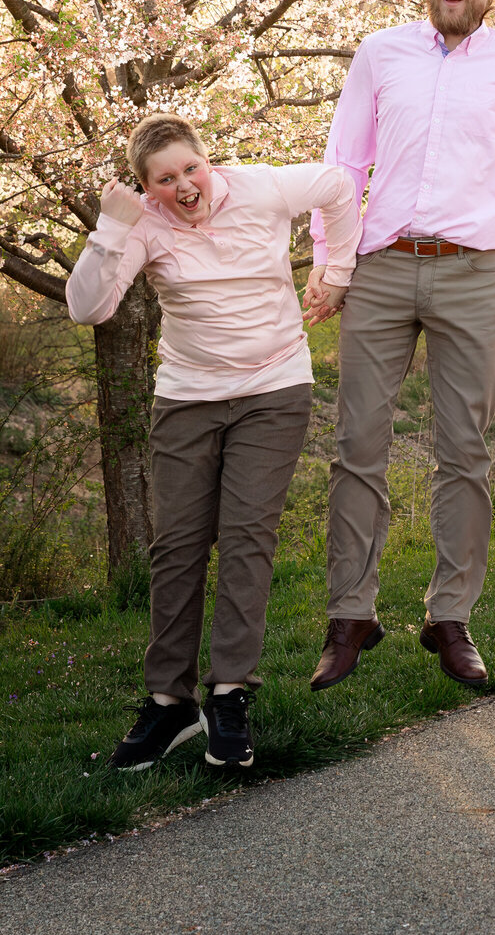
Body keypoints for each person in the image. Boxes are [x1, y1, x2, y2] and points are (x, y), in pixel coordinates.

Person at [309, 0, 495, 691]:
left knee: (464, 449)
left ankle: (449, 616)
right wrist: (334, 263)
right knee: (358, 442)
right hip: (381, 267)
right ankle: (350, 613)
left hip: (472, 272)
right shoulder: (379, 52)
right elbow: (343, 162)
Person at [67, 113, 359, 769]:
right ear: (148, 189)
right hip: (188, 397)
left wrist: (335, 271)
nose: (185, 185)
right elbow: (89, 308)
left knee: (248, 536)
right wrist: (110, 228)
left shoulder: (260, 189)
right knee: (177, 547)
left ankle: (230, 693)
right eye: (165, 179)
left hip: (274, 390)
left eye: (190, 167)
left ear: (208, 161)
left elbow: (340, 186)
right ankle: (170, 703)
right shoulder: (141, 225)